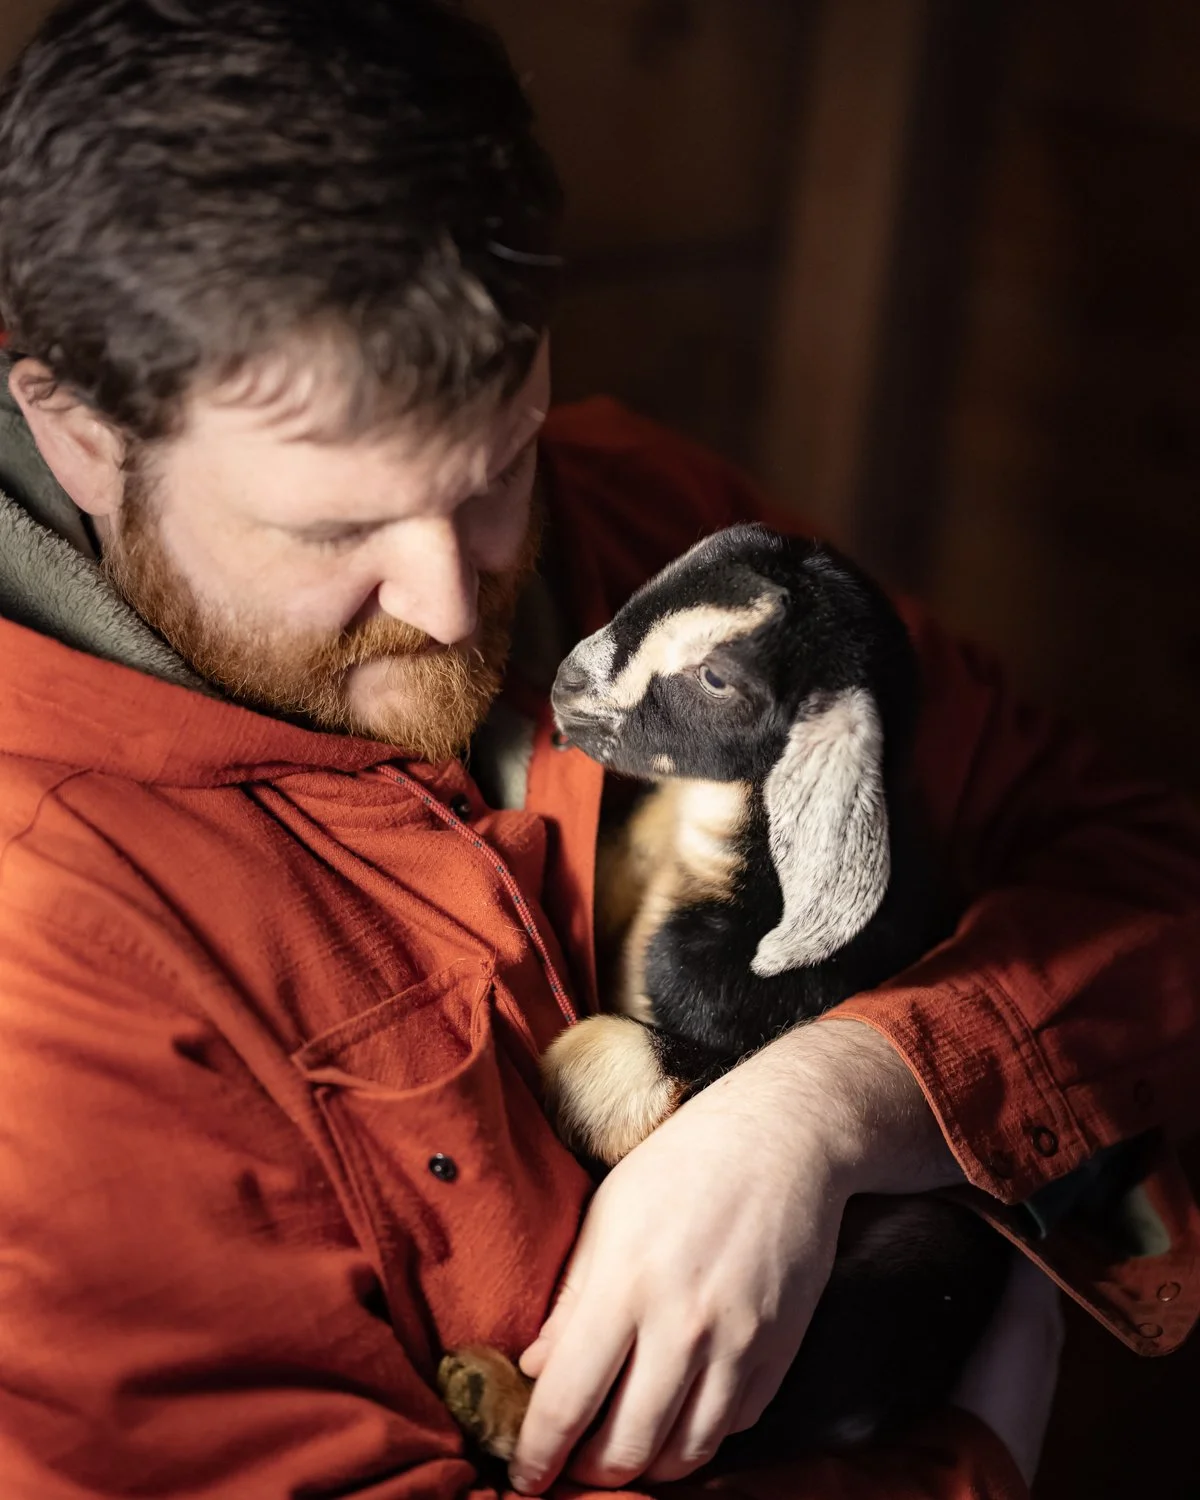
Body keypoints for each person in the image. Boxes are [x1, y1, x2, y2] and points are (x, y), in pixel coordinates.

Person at [0, 3, 1195, 1497]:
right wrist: (963, 1465)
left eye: (499, 463)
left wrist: (836, 1107)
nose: (451, 602)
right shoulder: (45, 946)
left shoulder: (651, 528)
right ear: (76, 433)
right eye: (336, 529)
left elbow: (1144, 873)